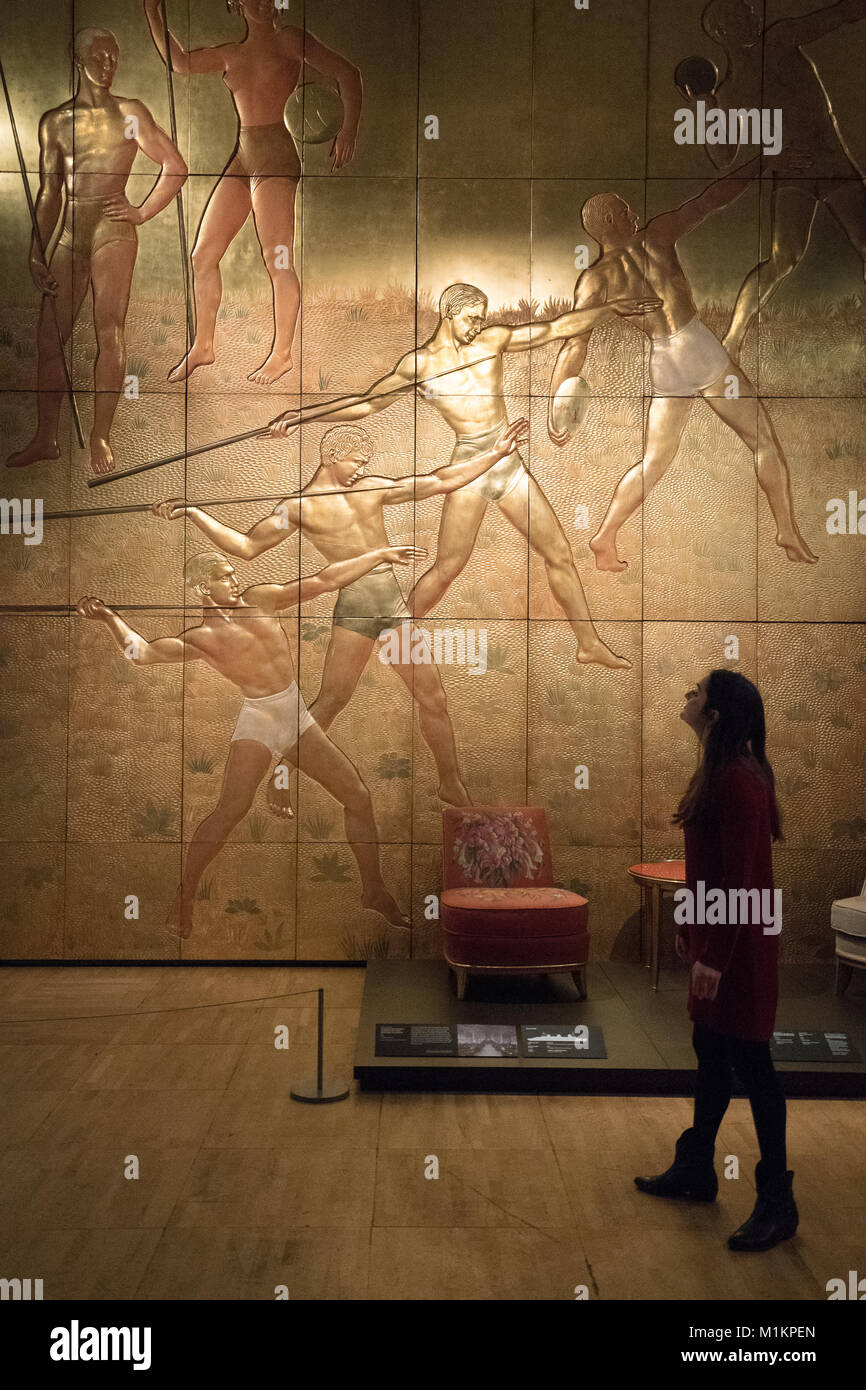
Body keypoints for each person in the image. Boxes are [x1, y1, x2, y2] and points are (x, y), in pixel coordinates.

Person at [270, 283, 661, 669]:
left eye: (481, 318)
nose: (477, 325)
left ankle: (588, 644)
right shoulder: (419, 365)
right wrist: (303, 416)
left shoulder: (492, 340)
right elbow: (365, 405)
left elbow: (556, 327)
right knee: (447, 567)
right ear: (449, 312)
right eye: (471, 317)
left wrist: (612, 308)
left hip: (508, 465)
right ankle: (396, 635)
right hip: (469, 466)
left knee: (558, 553)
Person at [153, 417, 528, 819]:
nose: (362, 469)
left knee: (433, 696)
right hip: (355, 605)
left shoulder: (371, 489)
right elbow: (246, 547)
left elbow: (437, 481)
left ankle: (450, 782)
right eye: (356, 461)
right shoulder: (297, 508)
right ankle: (284, 769)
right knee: (333, 700)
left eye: (365, 463)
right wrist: (194, 512)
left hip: (393, 606)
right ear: (330, 456)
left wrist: (493, 455)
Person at [77, 542, 423, 938]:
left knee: (358, 797)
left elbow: (324, 581)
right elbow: (141, 653)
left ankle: (374, 891)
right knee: (231, 808)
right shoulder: (201, 637)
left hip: (293, 713)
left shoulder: (261, 600)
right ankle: (186, 894)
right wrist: (108, 617)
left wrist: (377, 555)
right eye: (225, 576)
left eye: (232, 572)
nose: (235, 579)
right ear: (203, 589)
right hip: (258, 717)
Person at [547, 172, 818, 572]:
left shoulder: (595, 279)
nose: (634, 213)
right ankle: (787, 531)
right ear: (608, 221)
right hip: (698, 348)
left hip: (665, 362)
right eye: (624, 210)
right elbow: (710, 199)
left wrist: (557, 401)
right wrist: (760, 167)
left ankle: (604, 536)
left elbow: (575, 343)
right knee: (762, 439)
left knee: (653, 461)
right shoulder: (657, 236)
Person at [634, 669, 797, 1253]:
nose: (687, 695)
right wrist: (691, 926)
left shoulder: (737, 780)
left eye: (696, 691)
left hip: (741, 950)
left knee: (754, 1066)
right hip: (724, 939)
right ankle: (698, 1167)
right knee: (711, 1049)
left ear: (716, 714)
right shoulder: (723, 772)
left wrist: (717, 956)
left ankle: (778, 1202)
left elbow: (742, 877)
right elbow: (710, 870)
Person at [143, 0, 362, 384]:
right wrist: (154, 14)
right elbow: (178, 62)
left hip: (276, 157)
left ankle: (282, 355)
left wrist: (349, 130)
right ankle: (204, 346)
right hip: (243, 157)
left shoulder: (290, 40)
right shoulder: (231, 54)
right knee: (202, 255)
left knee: (277, 259)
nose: (261, 4)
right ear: (237, 4)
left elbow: (349, 74)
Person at [6, 28, 187, 476]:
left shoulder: (130, 113)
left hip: (112, 229)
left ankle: (100, 435)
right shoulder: (55, 122)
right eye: (98, 54)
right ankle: (46, 438)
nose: (108, 62)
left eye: (114, 54)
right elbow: (50, 193)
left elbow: (176, 168)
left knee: (110, 332)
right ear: (77, 58)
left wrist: (141, 212)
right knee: (49, 339)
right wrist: (35, 252)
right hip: (69, 231)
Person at [699, 0, 866, 359]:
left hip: (834, 163)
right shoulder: (730, 92)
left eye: (751, 12)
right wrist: (704, 104)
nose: (753, 17)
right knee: (783, 258)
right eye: (741, 15)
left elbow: (839, 14)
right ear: (721, 30)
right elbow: (723, 156)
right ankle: (732, 340)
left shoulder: (781, 37)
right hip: (794, 173)